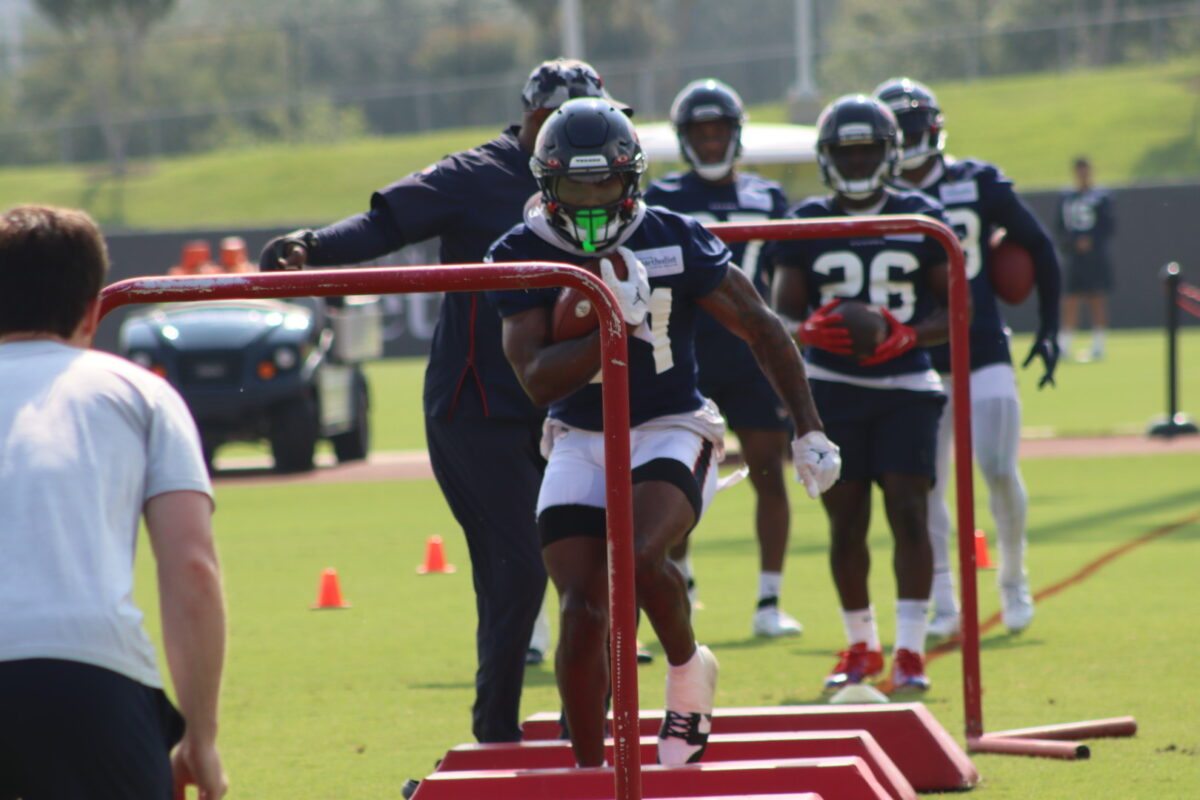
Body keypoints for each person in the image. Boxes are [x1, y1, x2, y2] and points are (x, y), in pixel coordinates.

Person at [258, 58, 628, 744]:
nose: (588, 143)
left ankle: (600, 734)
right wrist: (313, 247)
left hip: (568, 407)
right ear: (538, 120)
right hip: (479, 407)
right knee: (516, 569)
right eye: (571, 125)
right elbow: (384, 223)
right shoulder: (474, 174)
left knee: (599, 570)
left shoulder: (607, 172)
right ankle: (496, 735)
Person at [486, 98, 840, 767]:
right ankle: (592, 771)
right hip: (577, 432)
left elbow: (760, 323)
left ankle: (687, 669)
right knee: (581, 610)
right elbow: (536, 380)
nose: (591, 198)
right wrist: (611, 325)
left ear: (633, 179)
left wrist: (809, 429)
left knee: (640, 555)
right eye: (574, 183)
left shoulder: (674, 235)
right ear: (546, 185)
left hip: (670, 423)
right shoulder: (521, 251)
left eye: (605, 182)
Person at [0, 205, 227, 799]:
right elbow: (192, 569)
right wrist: (199, 734)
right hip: (89, 677)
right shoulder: (138, 394)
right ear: (93, 310)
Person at [768, 94, 953, 692]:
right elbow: (782, 313)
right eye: (845, 153)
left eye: (867, 150)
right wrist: (807, 330)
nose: (856, 162)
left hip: (906, 386)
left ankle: (910, 651)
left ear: (890, 152)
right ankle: (860, 644)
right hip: (833, 388)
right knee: (845, 524)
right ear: (826, 158)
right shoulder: (806, 220)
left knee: (908, 513)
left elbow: (957, 309)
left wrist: (906, 333)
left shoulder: (921, 214)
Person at [874, 77, 1061, 638]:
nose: (908, 139)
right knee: (926, 483)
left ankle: (1013, 579)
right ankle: (946, 602)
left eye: (913, 127)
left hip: (979, 341)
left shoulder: (974, 181)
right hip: (918, 353)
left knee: (999, 468)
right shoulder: (878, 195)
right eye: (898, 129)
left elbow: (1040, 246)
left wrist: (1049, 328)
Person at [643, 78, 801, 638]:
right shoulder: (661, 198)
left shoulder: (767, 197)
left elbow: (787, 277)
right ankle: (681, 583)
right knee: (674, 479)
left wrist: (791, 329)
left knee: (768, 474)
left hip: (751, 354)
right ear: (685, 139)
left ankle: (769, 600)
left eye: (719, 131)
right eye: (700, 133)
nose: (710, 142)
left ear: (736, 133)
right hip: (686, 351)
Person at [1057, 156, 1115, 362]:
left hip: (1096, 256)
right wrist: (1072, 243)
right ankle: (1065, 344)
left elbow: (1109, 226)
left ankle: (1099, 345)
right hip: (1074, 257)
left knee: (1096, 297)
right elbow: (1060, 227)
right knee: (1070, 299)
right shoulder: (1067, 197)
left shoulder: (1101, 197)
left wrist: (1092, 241)